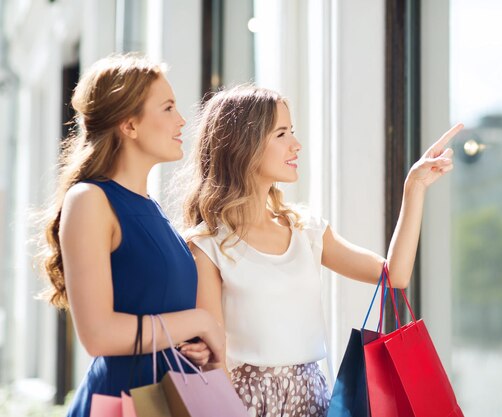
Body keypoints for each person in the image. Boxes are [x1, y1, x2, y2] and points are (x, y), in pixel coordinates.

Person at [182, 84, 462, 417]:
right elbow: (215, 360)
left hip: (311, 396)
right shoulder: (208, 244)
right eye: (282, 133)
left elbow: (394, 275)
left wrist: (413, 187)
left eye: (293, 132)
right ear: (244, 145)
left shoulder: (307, 230)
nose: (296, 144)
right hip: (245, 403)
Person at [39, 53, 224, 417]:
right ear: (130, 125)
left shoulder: (152, 209)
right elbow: (98, 335)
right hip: (123, 401)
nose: (182, 120)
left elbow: (157, 313)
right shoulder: (90, 200)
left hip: (171, 398)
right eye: (168, 107)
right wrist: (198, 322)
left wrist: (191, 344)